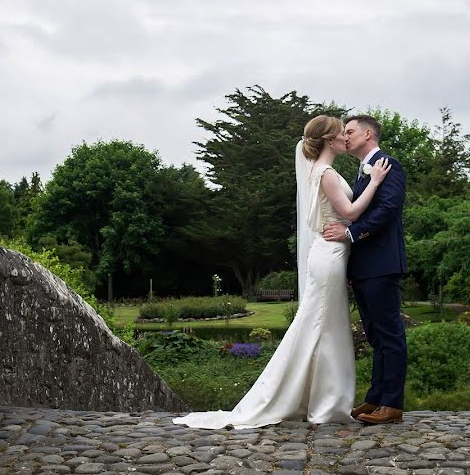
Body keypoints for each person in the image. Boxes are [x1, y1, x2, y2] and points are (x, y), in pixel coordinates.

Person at [173, 115, 391, 429]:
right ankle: (325, 404)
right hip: (330, 252)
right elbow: (351, 212)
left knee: (322, 324)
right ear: (330, 140)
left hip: (331, 252)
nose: (346, 137)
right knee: (325, 327)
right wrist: (375, 182)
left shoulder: (321, 170)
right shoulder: (326, 173)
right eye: (341, 133)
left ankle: (315, 399)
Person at [322, 114, 408, 425]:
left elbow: (388, 210)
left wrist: (351, 234)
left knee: (390, 334)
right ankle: (375, 399)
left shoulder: (388, 164)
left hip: (382, 264)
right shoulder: (364, 172)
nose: (344, 137)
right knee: (375, 335)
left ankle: (392, 404)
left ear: (368, 133)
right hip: (364, 266)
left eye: (350, 131)